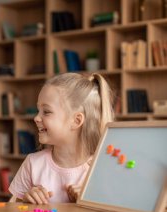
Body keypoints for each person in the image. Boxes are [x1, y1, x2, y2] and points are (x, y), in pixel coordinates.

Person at [9, 73, 114, 204]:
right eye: (38, 110)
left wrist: (88, 201)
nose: (36, 118)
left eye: (46, 112)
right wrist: (26, 199)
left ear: (76, 121)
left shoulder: (100, 168)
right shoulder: (32, 164)